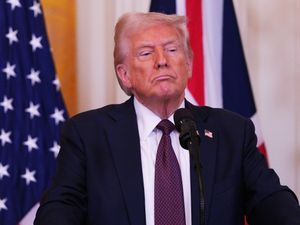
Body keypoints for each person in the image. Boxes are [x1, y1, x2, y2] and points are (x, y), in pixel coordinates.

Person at [34, 12, 300, 225]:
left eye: (172, 50)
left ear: (188, 65)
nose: (162, 61)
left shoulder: (232, 131)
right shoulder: (88, 134)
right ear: (124, 74)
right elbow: (61, 206)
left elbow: (270, 201)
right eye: (147, 53)